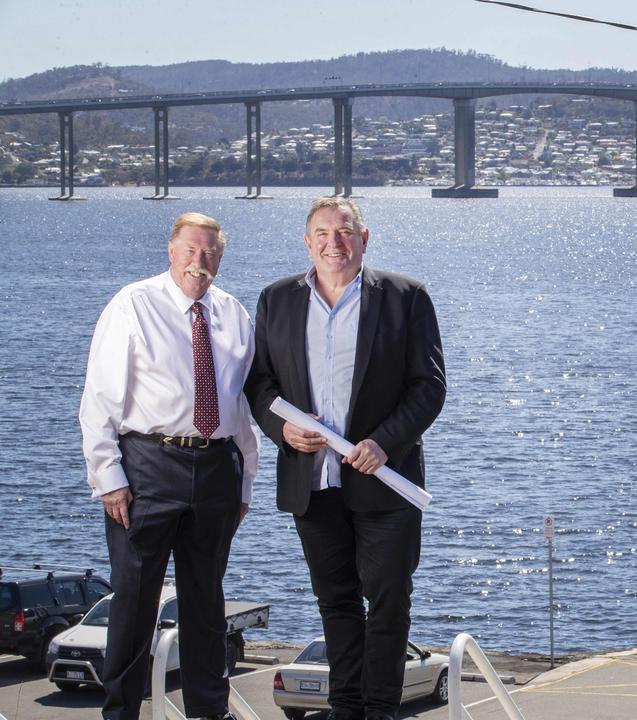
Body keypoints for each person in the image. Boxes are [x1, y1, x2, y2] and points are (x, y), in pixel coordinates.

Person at [245, 197, 446, 720]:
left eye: (345, 232)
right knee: (335, 603)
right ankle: (346, 709)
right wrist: (282, 430)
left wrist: (385, 442)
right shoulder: (276, 299)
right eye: (322, 233)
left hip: (385, 479)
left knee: (388, 602)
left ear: (365, 237)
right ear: (307, 241)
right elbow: (259, 384)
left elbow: (429, 387)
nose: (334, 243)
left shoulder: (407, 297)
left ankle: (379, 710)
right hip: (311, 483)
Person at [80, 212, 258, 720]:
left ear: (220, 257)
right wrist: (109, 479)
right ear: (171, 250)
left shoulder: (234, 313)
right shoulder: (134, 304)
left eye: (210, 252)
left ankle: (209, 712)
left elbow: (240, 406)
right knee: (134, 603)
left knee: (206, 605)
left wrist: (245, 481)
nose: (199, 262)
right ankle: (120, 714)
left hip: (217, 470)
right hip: (148, 467)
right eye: (190, 250)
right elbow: (98, 399)